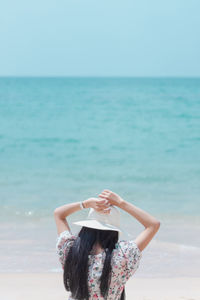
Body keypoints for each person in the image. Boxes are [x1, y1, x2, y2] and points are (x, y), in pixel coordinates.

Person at [54, 189, 160, 300]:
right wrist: (121, 203)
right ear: (114, 231)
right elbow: (153, 224)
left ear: (87, 227)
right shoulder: (122, 255)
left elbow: (59, 214)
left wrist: (85, 204)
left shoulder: (70, 249)